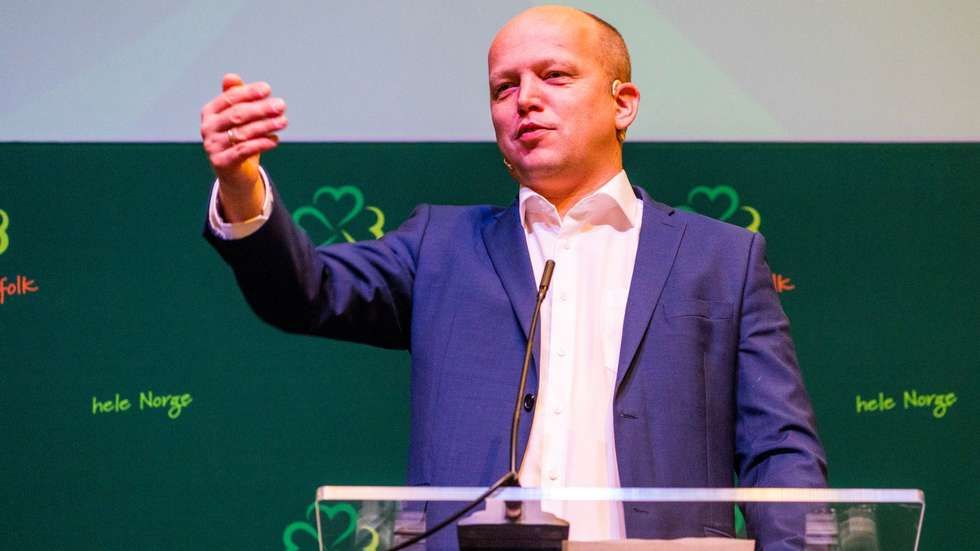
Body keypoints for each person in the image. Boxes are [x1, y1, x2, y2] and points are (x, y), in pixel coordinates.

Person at [200, 5, 827, 550]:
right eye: (504, 87)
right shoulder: (441, 246)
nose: (524, 99)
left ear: (623, 103)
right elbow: (305, 291)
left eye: (555, 76)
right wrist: (241, 184)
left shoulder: (723, 258)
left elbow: (781, 452)